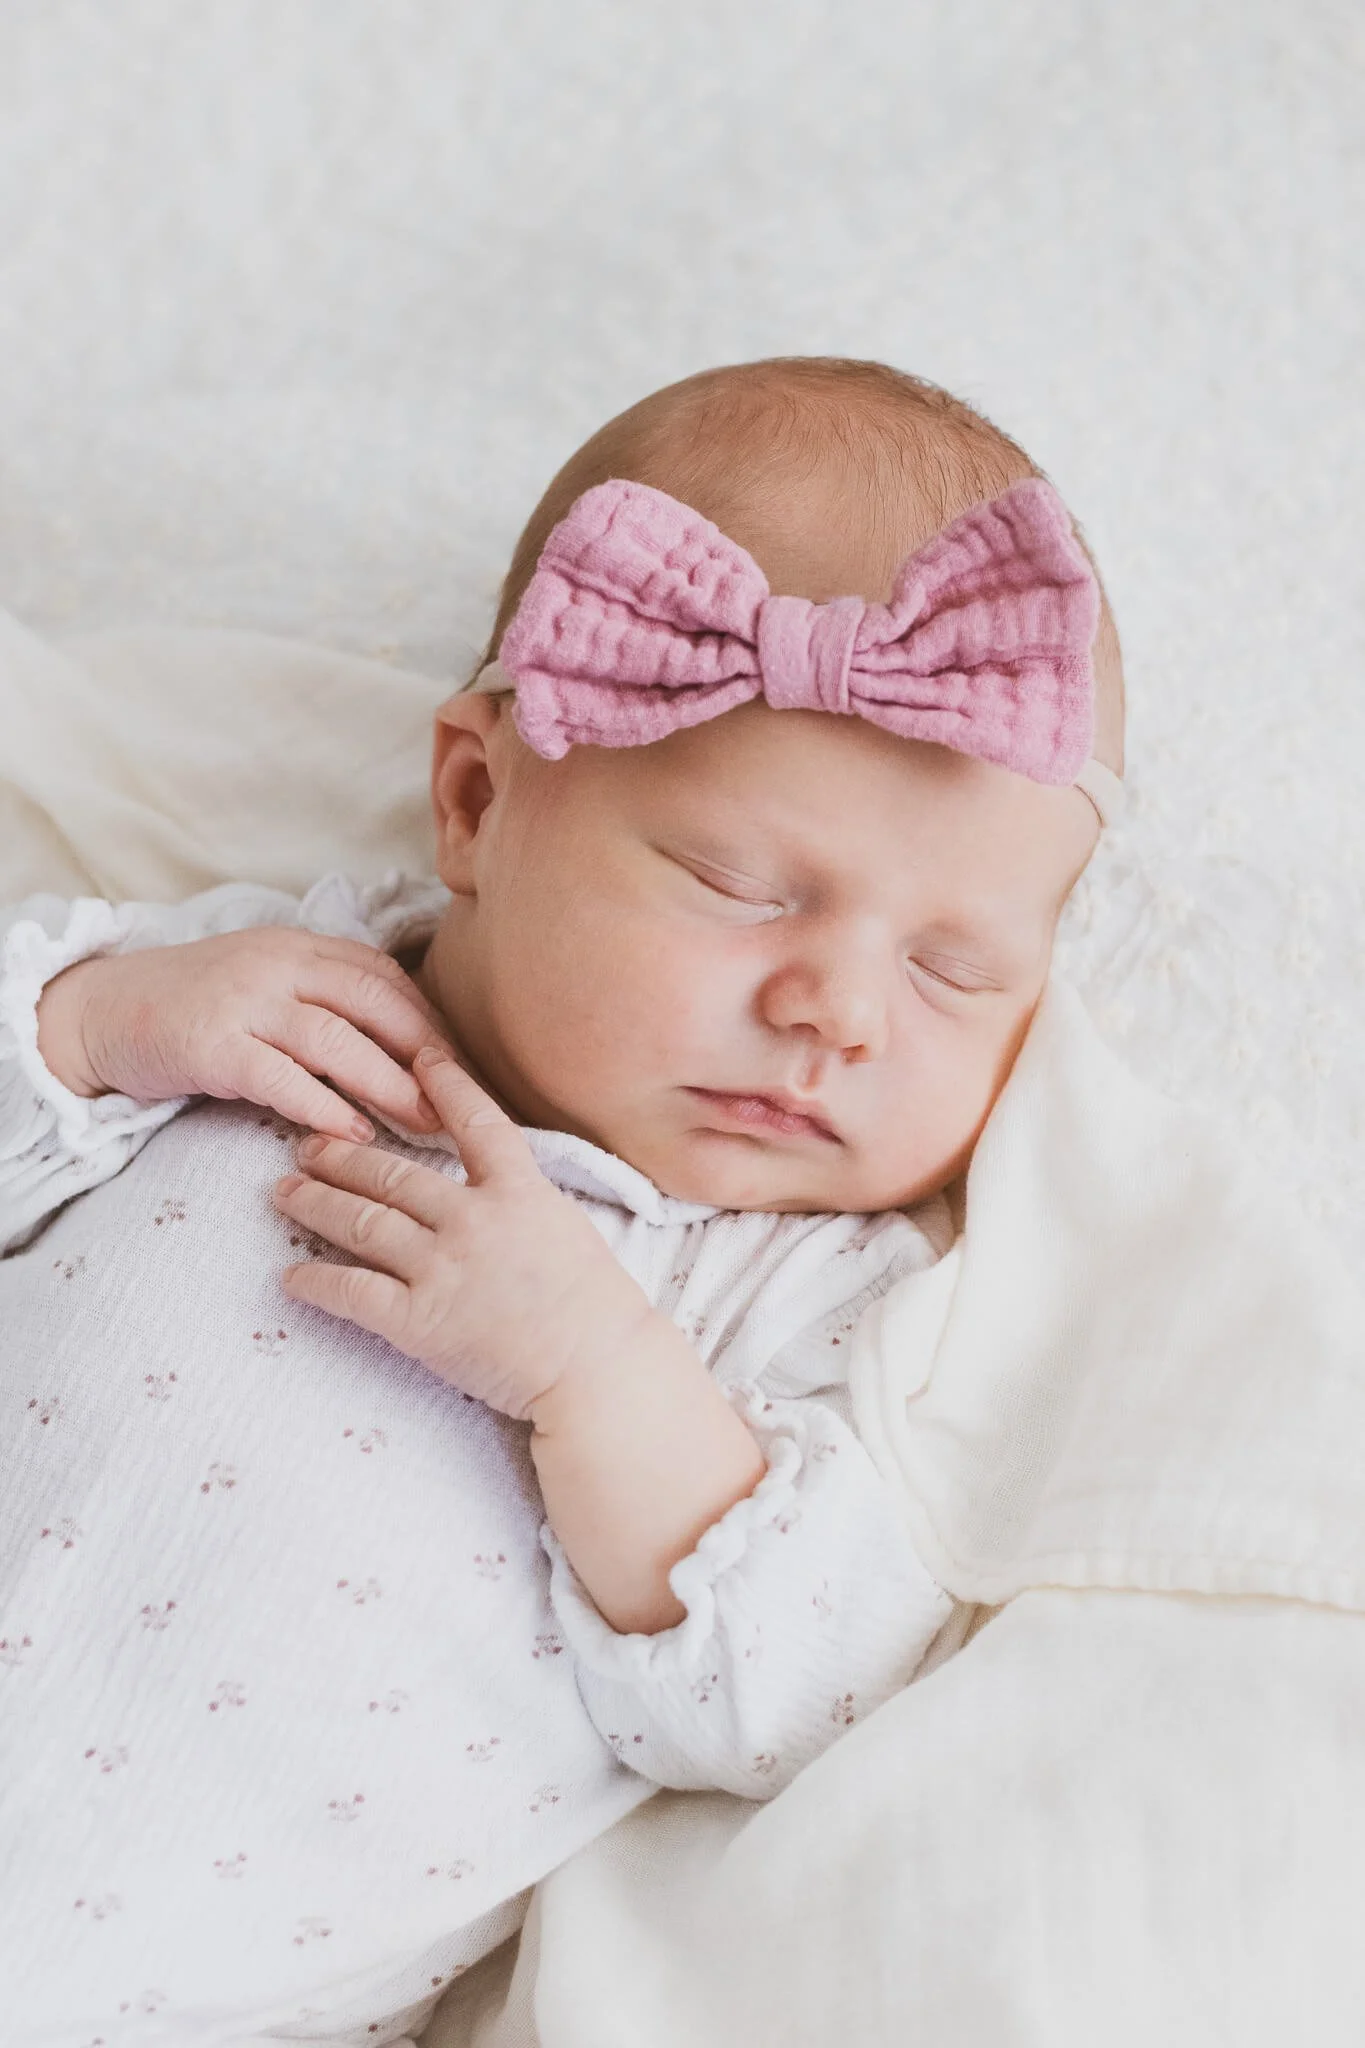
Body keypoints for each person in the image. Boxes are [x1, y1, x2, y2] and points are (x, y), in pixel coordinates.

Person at [0, 357, 1124, 2045]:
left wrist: (594, 1374)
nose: (841, 1009)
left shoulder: (793, 1292)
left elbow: (794, 1704)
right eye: (740, 887)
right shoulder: (276, 983)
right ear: (475, 801)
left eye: (956, 971)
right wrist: (89, 1027)